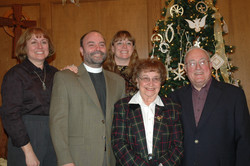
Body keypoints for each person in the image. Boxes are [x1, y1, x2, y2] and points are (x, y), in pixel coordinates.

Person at [49, 30, 125, 166]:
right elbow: (57, 123)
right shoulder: (65, 78)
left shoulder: (118, 82)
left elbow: (122, 123)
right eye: (91, 44)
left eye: (101, 44)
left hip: (111, 158)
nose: (97, 49)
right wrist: (65, 160)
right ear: (81, 51)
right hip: (78, 157)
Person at [169, 46, 250, 166]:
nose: (198, 68)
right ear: (185, 69)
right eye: (191, 63)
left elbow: (244, 140)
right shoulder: (174, 98)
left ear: (210, 65)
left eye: (202, 62)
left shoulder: (234, 95)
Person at [1, 27, 58, 166]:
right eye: (33, 42)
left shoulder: (56, 74)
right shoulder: (15, 75)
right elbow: (10, 115)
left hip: (52, 137)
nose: (40, 46)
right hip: (25, 138)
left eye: (44, 42)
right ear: (24, 47)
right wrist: (28, 152)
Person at [111, 58, 184, 166]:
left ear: (161, 81)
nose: (151, 84)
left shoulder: (173, 108)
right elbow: (118, 143)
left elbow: (178, 145)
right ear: (137, 79)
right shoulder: (122, 107)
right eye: (145, 78)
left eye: (156, 79)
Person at [103, 30, 139, 96]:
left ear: (133, 48)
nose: (124, 46)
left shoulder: (141, 71)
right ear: (113, 48)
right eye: (119, 43)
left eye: (128, 43)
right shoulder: (103, 72)